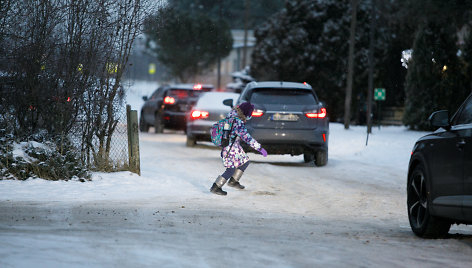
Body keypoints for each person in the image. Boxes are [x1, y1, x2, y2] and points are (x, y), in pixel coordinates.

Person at [210, 102, 267, 196]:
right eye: (250, 114)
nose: (250, 116)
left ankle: (233, 181)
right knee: (230, 169)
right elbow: (247, 137)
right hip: (230, 148)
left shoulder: (231, 117)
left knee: (245, 161)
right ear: (246, 113)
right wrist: (259, 148)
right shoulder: (238, 122)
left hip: (234, 147)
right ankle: (216, 187)